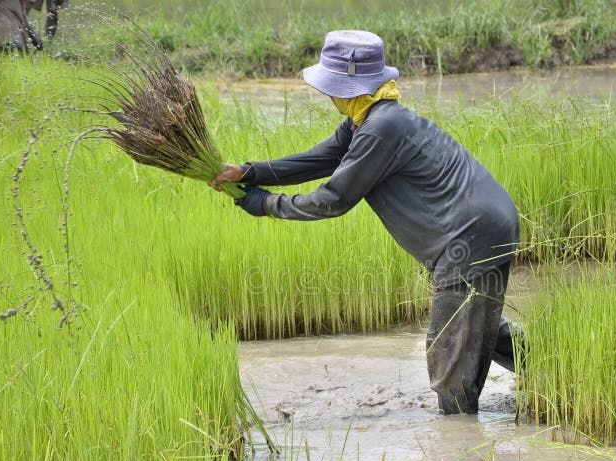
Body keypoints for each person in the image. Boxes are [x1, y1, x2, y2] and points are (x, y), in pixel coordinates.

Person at [210, 30, 523, 415]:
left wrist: (267, 204)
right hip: (487, 224)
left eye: (331, 86)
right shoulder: (369, 119)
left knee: (448, 354)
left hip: (469, 235)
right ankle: (558, 368)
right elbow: (319, 159)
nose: (327, 95)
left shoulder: (380, 128)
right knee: (476, 327)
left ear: (347, 87)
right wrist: (248, 172)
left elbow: (333, 200)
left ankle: (458, 448)